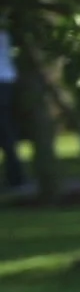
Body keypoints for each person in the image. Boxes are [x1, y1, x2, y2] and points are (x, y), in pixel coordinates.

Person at [0, 25, 22, 190]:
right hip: (7, 81)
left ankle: (15, 176)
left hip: (3, 81)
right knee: (6, 130)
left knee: (5, 131)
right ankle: (15, 176)